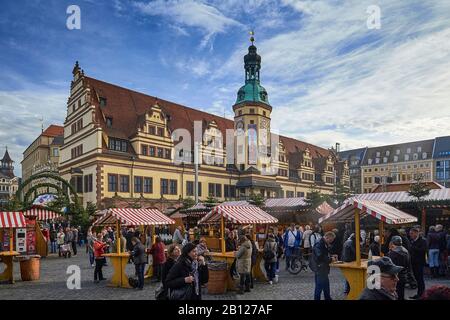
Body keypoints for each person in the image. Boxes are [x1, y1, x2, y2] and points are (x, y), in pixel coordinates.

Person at [311, 231, 337, 300]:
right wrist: (330, 259)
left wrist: (331, 256)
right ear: (327, 237)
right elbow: (320, 256)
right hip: (320, 268)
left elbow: (323, 254)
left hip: (322, 268)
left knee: (326, 285)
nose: (331, 242)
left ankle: (327, 298)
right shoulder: (320, 244)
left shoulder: (323, 243)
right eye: (331, 240)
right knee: (319, 287)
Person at [387, 236, 410, 300]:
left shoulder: (393, 253)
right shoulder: (405, 250)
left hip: (396, 276)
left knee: (395, 294)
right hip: (404, 275)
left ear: (392, 242)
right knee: (401, 293)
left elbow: (390, 266)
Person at [409, 226, 427, 299]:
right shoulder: (412, 241)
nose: (410, 235)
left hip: (419, 263)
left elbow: (423, 250)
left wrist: (413, 247)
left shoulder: (423, 240)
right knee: (417, 279)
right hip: (413, 262)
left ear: (416, 233)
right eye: (410, 233)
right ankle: (419, 294)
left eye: (412, 233)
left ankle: (421, 294)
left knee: (420, 279)